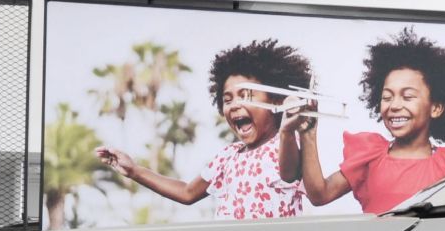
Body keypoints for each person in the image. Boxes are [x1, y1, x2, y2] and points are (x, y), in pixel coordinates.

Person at [96, 39, 313, 221]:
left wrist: (286, 131)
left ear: (275, 100)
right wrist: (134, 170)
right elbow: (187, 192)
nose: (234, 105)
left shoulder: (285, 143)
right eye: (227, 99)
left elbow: (288, 173)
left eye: (245, 96)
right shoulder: (228, 156)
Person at [294, 27, 445, 214]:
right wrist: (308, 134)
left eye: (408, 97)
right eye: (387, 97)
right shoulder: (370, 153)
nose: (394, 105)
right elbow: (320, 195)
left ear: (435, 108)